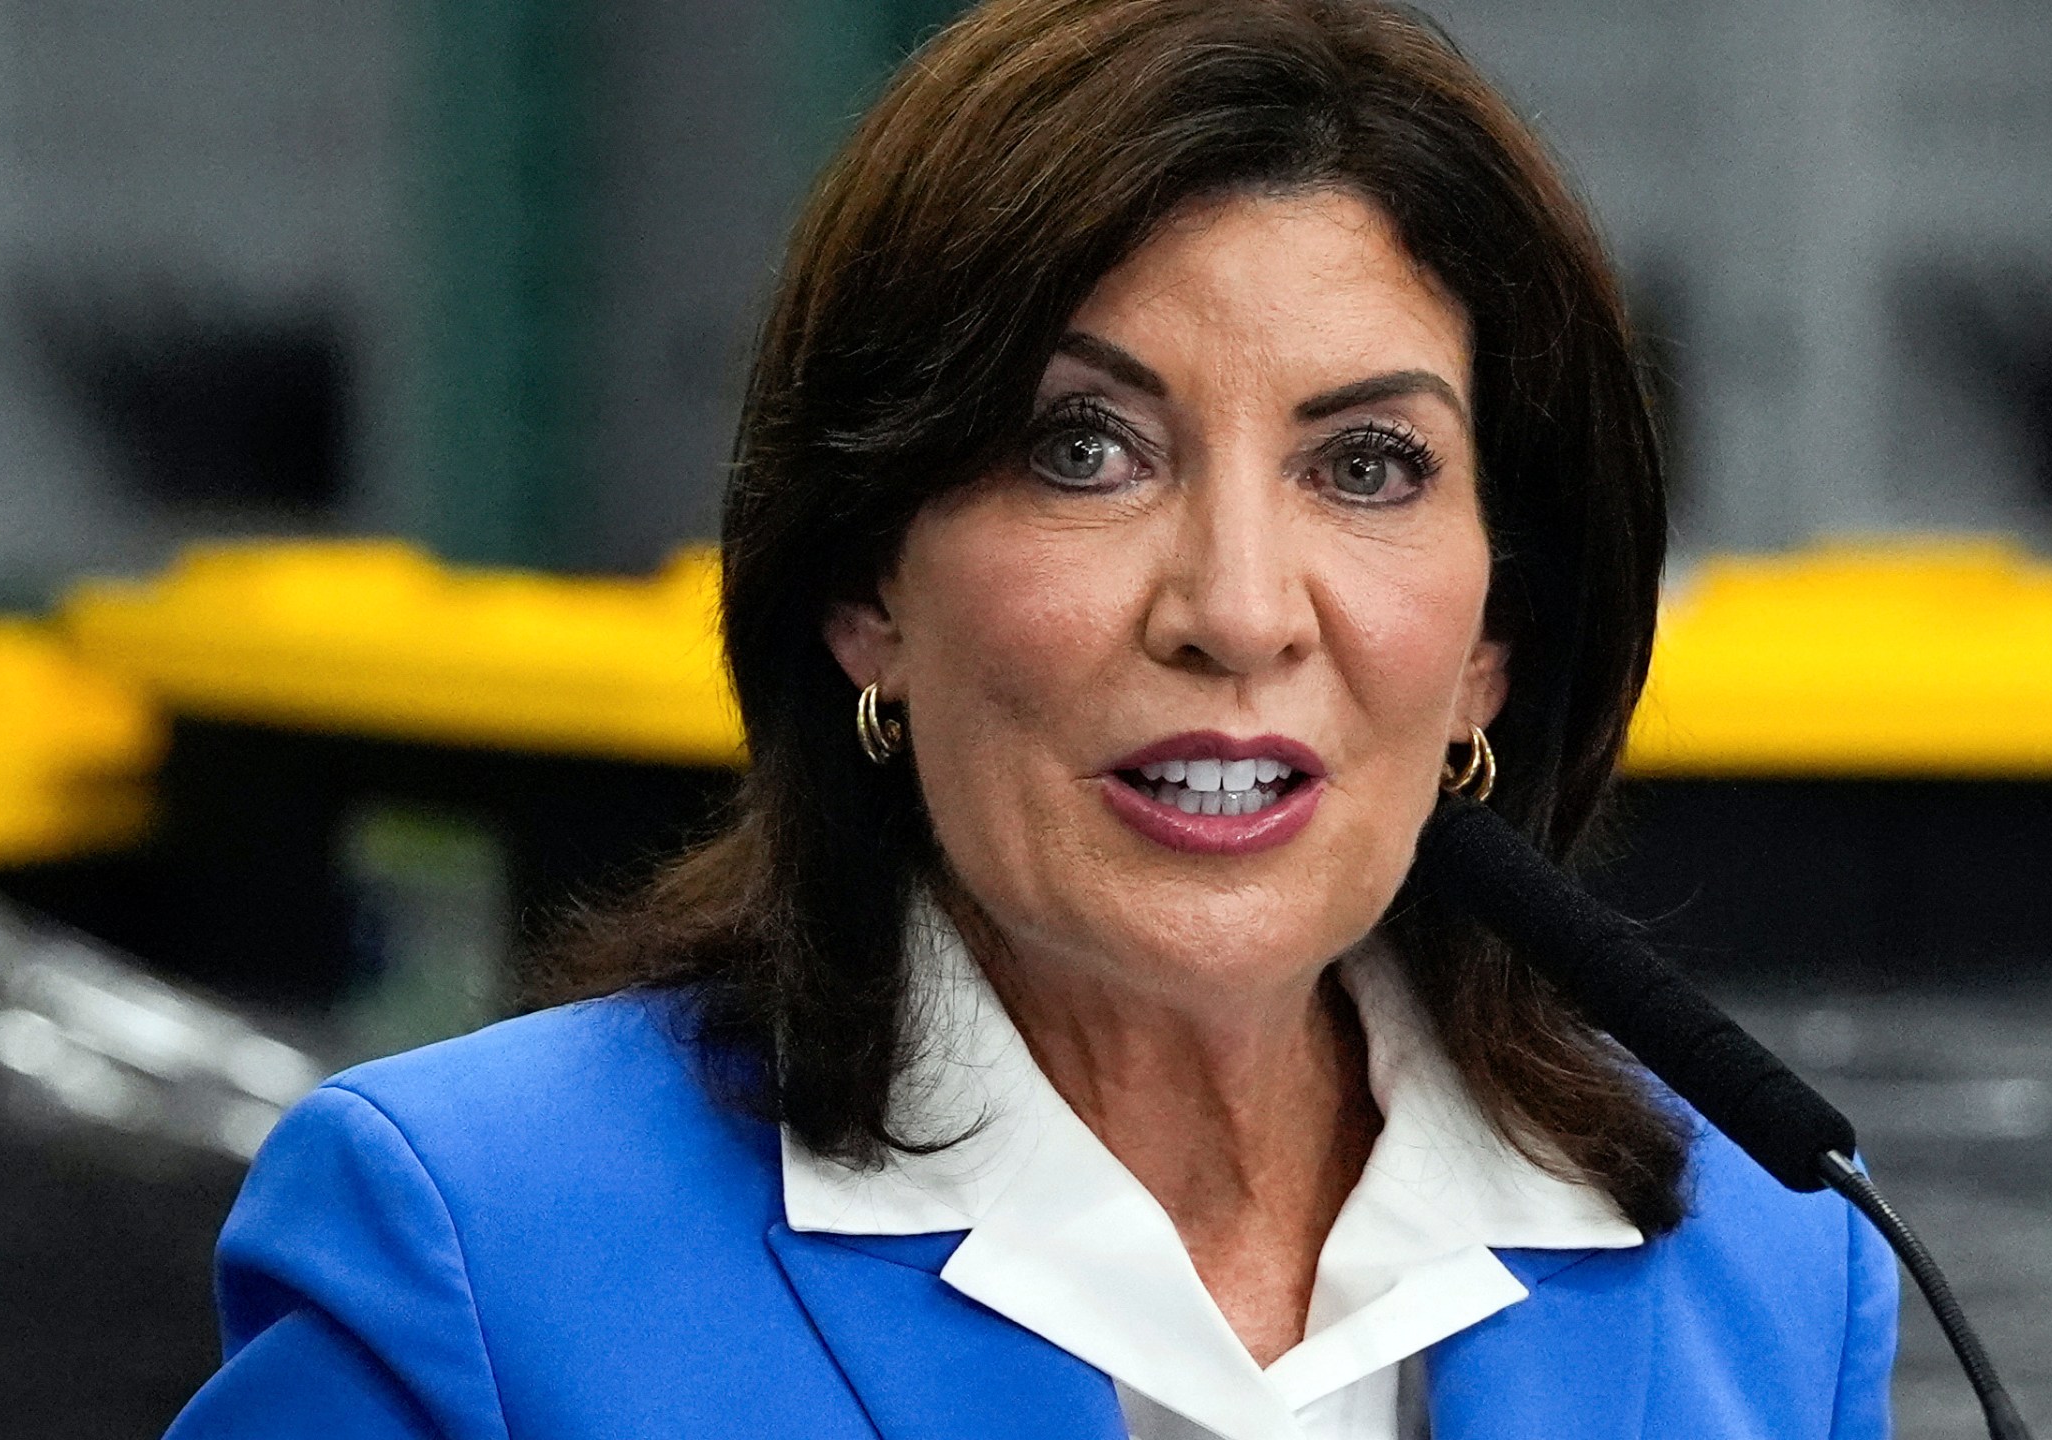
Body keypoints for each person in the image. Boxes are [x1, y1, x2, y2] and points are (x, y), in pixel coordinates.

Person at [167, 1, 1898, 1436]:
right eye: (1087, 449)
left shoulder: (1771, 1270)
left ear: (1491, 644)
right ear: (866, 586)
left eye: (1366, 466)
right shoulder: (479, 1245)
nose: (1234, 608)